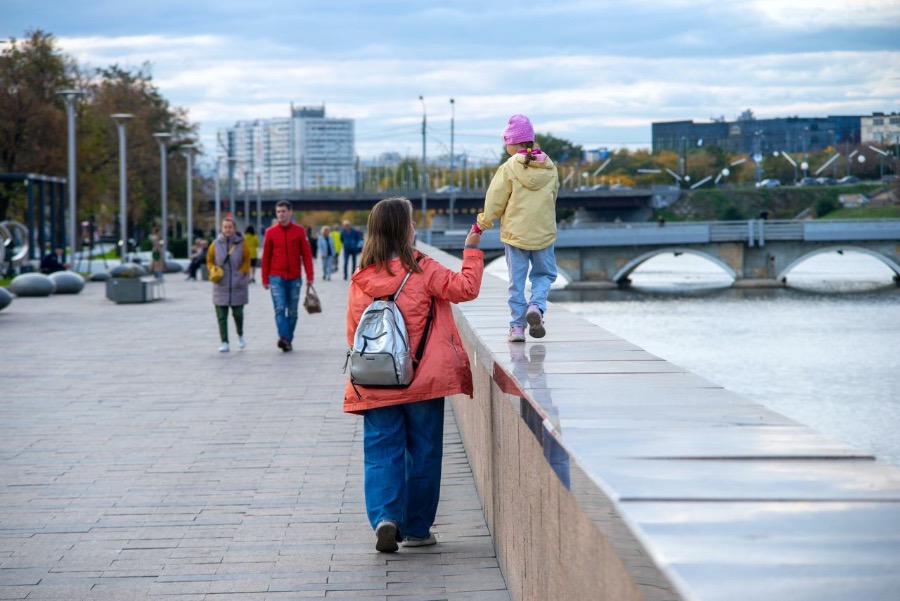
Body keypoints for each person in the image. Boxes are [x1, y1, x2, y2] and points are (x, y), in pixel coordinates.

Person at [344, 196, 484, 553]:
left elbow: (354, 334)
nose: (416, 227)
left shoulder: (361, 278)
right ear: (405, 230)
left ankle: (386, 519)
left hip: (376, 380)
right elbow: (466, 288)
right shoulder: (423, 269)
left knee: (380, 452)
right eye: (412, 222)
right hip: (422, 381)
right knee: (423, 452)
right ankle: (418, 529)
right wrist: (471, 250)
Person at [474, 114, 559, 343]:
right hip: (543, 232)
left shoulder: (509, 167)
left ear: (514, 142)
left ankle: (517, 328)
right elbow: (553, 197)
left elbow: (495, 201)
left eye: (506, 141)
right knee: (544, 275)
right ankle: (537, 306)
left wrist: (482, 224)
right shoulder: (549, 167)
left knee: (516, 282)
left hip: (515, 234)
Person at [261, 201, 315, 352]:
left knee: (292, 311)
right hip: (276, 276)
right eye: (278, 212)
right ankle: (283, 337)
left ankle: (288, 339)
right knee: (279, 308)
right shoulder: (270, 232)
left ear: (290, 212)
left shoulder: (299, 231)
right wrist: (265, 278)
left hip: (294, 278)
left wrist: (310, 276)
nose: (281, 214)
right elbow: (266, 257)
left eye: (283, 211)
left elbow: (306, 255)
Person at [207, 218, 251, 352]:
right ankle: (224, 341)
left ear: (235, 229)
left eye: (230, 227)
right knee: (221, 317)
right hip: (220, 285)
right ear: (221, 229)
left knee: (238, 314)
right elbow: (209, 260)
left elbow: (247, 260)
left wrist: (241, 273)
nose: (227, 229)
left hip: (238, 285)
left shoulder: (241, 244)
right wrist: (213, 270)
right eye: (225, 227)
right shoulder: (215, 244)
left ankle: (240, 335)